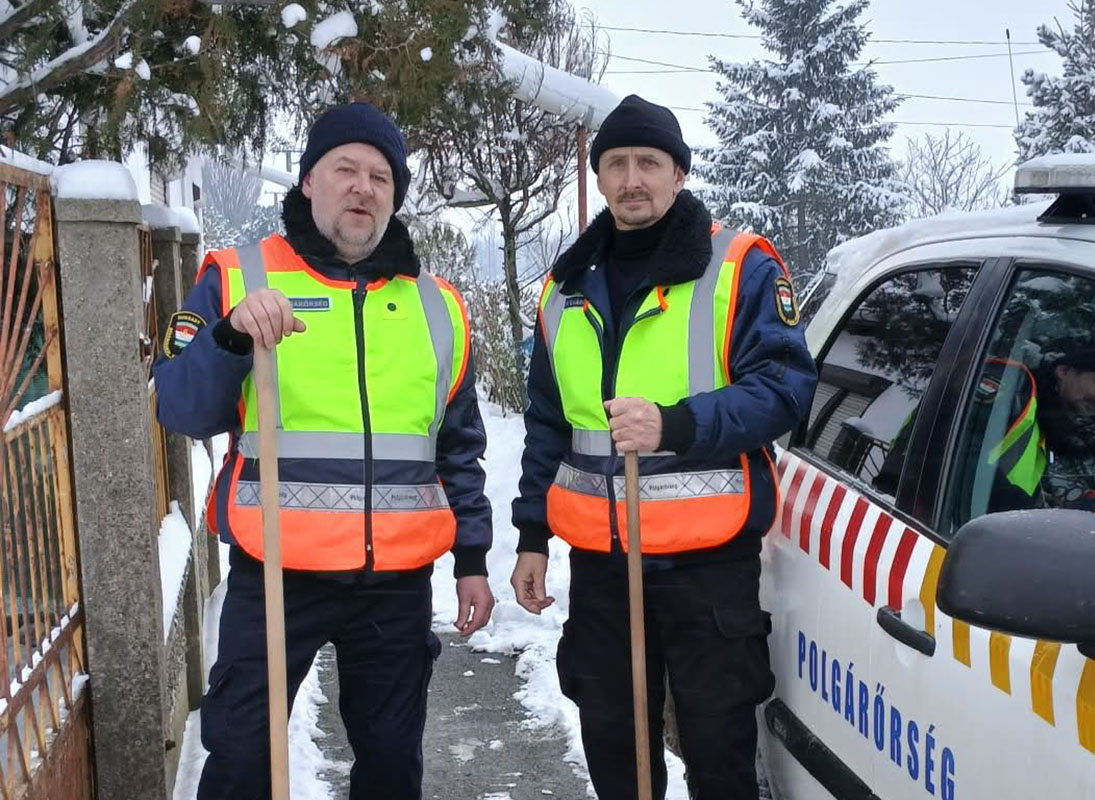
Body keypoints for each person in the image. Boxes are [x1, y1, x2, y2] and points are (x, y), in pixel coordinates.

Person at [153, 102, 494, 800]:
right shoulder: (238, 277)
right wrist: (230, 340)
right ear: (310, 180)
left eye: (380, 176)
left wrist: (471, 561)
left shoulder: (438, 307)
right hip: (277, 570)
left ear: (394, 197)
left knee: (392, 766)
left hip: (395, 582)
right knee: (243, 759)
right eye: (346, 169)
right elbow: (183, 408)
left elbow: (457, 448)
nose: (363, 187)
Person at [509, 95, 817, 800]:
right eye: (615, 164)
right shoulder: (563, 290)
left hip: (708, 571)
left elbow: (786, 389)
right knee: (616, 751)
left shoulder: (738, 267)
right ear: (599, 178)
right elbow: (548, 423)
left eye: (649, 162)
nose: (631, 178)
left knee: (718, 752)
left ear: (679, 175)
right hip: (603, 568)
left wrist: (676, 423)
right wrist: (531, 533)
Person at [981, 349, 1095, 566]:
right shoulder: (1011, 394)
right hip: (977, 549)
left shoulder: (1083, 437)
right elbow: (956, 465)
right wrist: (1034, 520)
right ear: (1063, 371)